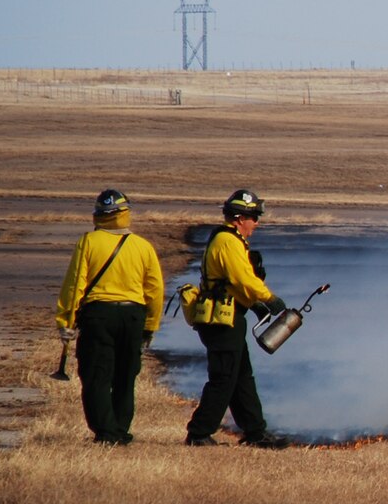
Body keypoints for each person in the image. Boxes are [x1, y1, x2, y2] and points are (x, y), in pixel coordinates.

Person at [182, 188, 292, 448]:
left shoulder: (229, 239)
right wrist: (268, 298)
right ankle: (199, 433)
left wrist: (252, 305)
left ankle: (255, 433)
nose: (256, 223)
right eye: (254, 217)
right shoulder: (228, 241)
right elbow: (242, 278)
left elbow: (233, 283)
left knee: (242, 376)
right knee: (224, 377)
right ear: (240, 218)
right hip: (222, 321)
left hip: (230, 315)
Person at [54, 189, 165, 444]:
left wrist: (66, 321)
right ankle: (120, 429)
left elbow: (75, 285)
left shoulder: (88, 242)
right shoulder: (143, 246)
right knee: (126, 376)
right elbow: (155, 290)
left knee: (96, 375)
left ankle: (106, 432)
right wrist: (150, 327)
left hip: (98, 316)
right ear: (126, 214)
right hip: (133, 316)